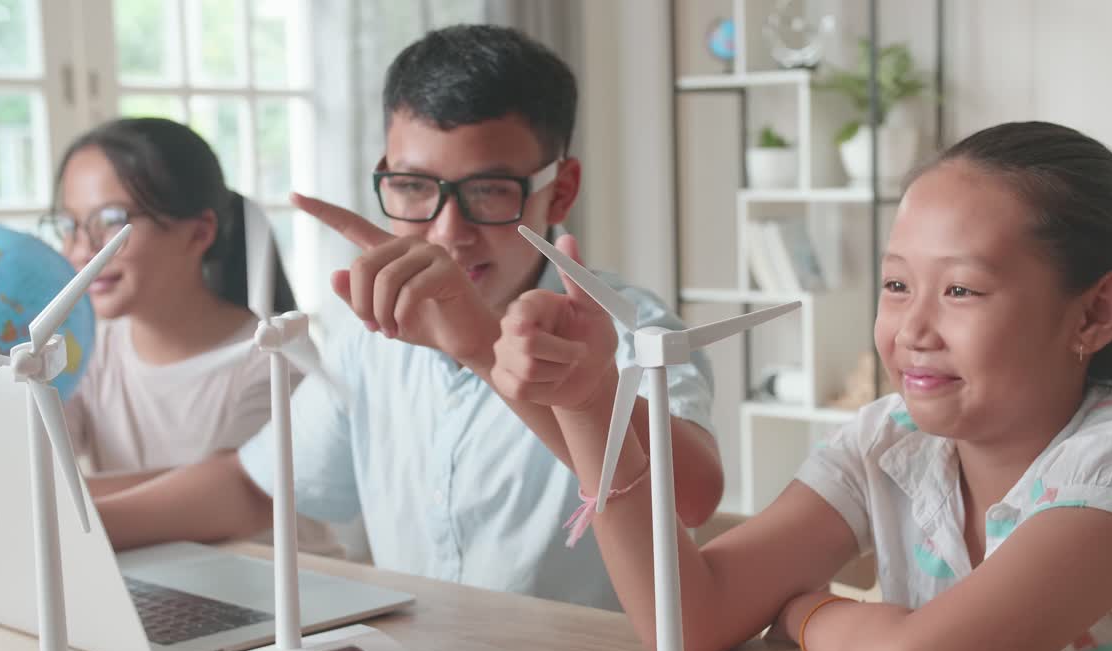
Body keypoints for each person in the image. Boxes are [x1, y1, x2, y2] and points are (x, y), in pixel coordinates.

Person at [491, 120, 1112, 651]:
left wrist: (807, 608)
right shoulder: (890, 441)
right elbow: (689, 620)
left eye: (961, 291)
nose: (913, 329)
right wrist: (588, 399)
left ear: (1096, 311)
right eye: (897, 285)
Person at [94, 25, 723, 611]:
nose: (450, 232)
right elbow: (256, 485)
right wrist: (80, 529)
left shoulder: (629, 329)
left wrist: (478, 342)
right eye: (415, 188)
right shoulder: (373, 335)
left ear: (559, 189)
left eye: (490, 191)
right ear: (383, 178)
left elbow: (693, 497)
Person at [50, 117, 339, 554]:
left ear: (199, 232)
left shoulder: (273, 357)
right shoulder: (89, 351)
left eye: (110, 221)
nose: (80, 249)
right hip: (168, 583)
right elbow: (33, 464)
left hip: (289, 591)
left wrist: (58, 503)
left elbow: (233, 488)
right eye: (69, 224)